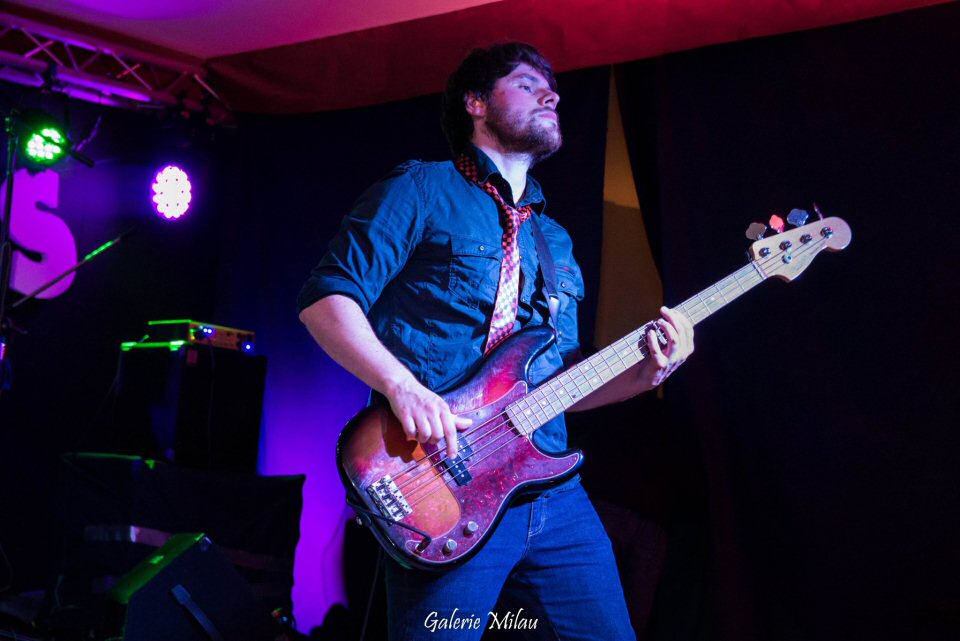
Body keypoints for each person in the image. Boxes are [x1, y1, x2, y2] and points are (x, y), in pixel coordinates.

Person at [298, 42, 694, 641]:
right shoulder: (421, 189)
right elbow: (326, 301)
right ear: (476, 103)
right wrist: (402, 386)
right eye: (528, 84)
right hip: (442, 481)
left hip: (552, 495)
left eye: (552, 88)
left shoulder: (554, 241)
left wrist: (647, 373)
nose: (551, 94)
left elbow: (558, 382)